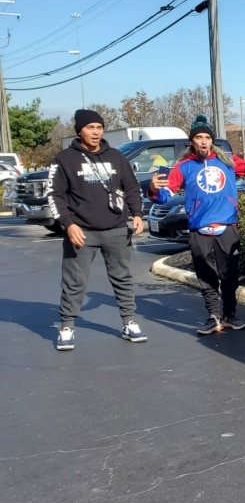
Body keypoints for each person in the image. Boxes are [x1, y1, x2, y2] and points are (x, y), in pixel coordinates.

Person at [147, 115, 245, 336]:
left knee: (230, 275)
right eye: (199, 137)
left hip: (227, 227)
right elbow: (164, 196)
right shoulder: (184, 166)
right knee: (206, 276)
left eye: (207, 137)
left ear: (212, 140)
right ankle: (213, 316)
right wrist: (153, 190)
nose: (203, 141)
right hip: (199, 230)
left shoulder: (227, 161)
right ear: (192, 141)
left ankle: (230, 314)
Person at [47, 109, 147, 351]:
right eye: (90, 127)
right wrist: (68, 224)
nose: (95, 132)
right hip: (81, 232)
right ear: (79, 130)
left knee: (123, 278)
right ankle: (67, 326)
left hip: (115, 229)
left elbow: (132, 187)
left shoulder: (116, 157)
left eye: (99, 127)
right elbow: (54, 195)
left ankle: (129, 322)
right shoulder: (64, 159)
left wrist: (137, 214)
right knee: (74, 281)